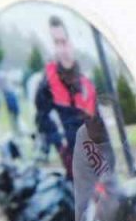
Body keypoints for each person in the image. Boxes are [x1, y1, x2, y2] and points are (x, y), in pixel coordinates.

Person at [34, 15, 98, 178]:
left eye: (64, 42)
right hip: (73, 161)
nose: (61, 49)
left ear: (72, 43)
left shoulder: (86, 84)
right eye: (56, 43)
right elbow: (43, 120)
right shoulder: (47, 84)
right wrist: (61, 147)